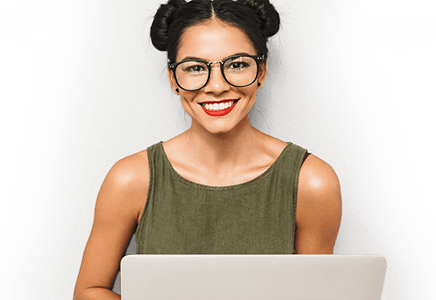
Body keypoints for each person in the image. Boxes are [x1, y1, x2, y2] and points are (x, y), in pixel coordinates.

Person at [73, 0, 342, 299]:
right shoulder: (131, 179)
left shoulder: (312, 182)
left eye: (237, 64)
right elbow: (89, 290)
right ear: (174, 78)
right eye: (195, 68)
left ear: (262, 71)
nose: (216, 86)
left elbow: (315, 295)